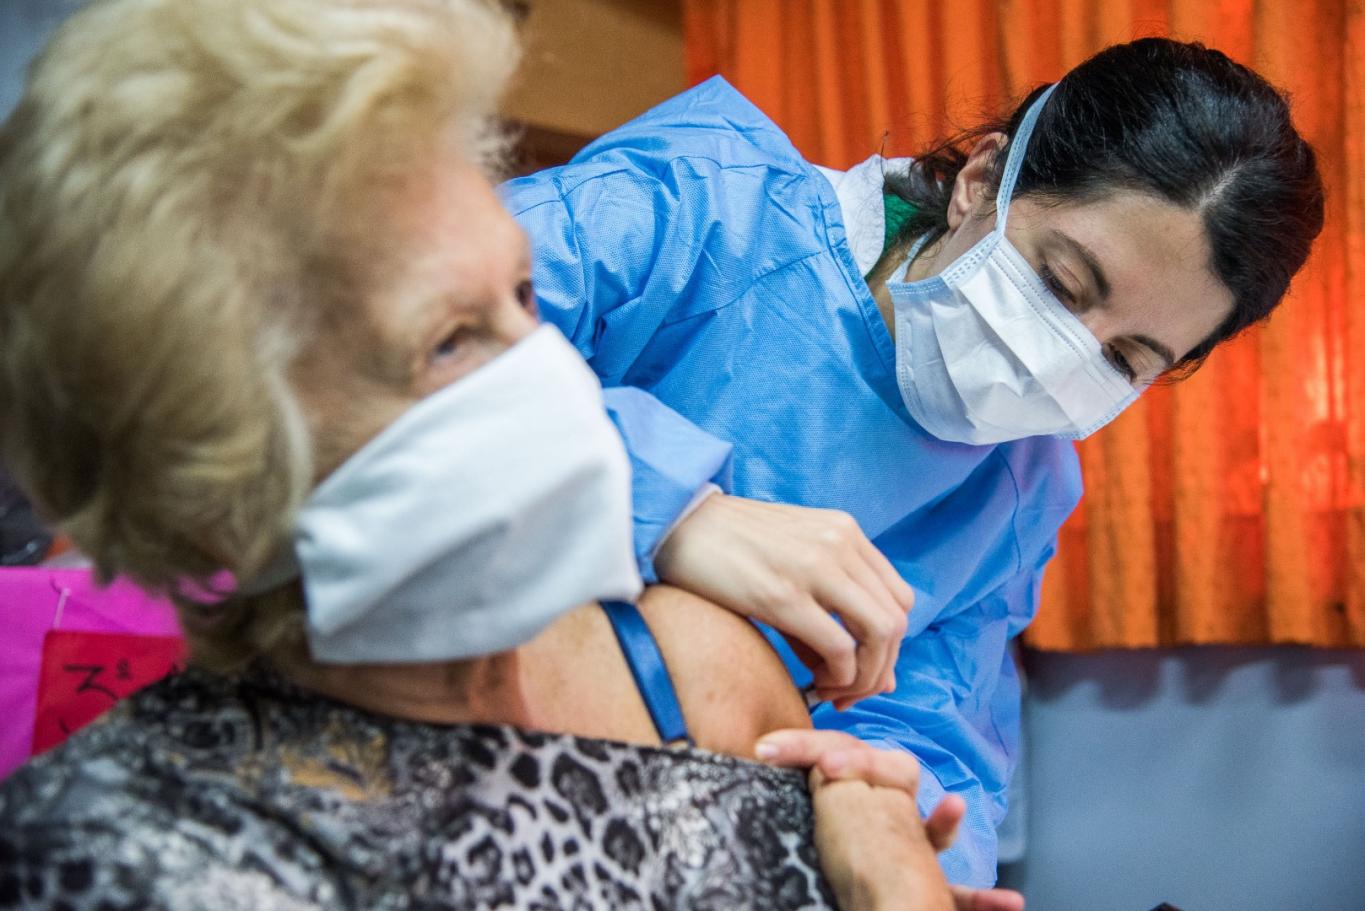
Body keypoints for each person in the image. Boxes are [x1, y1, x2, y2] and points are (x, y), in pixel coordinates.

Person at [0, 0, 1023, 909]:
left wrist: (888, 862)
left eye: (526, 297)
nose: (553, 377)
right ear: (221, 451)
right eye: (449, 338)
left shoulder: (701, 663)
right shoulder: (128, 850)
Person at [504, 37, 1325, 884]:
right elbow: (393, 360)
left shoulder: (1019, 488)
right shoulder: (697, 205)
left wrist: (907, 840)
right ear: (980, 181)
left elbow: (928, 725)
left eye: (1124, 361)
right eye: (1061, 283)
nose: (1059, 359)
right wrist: (669, 509)